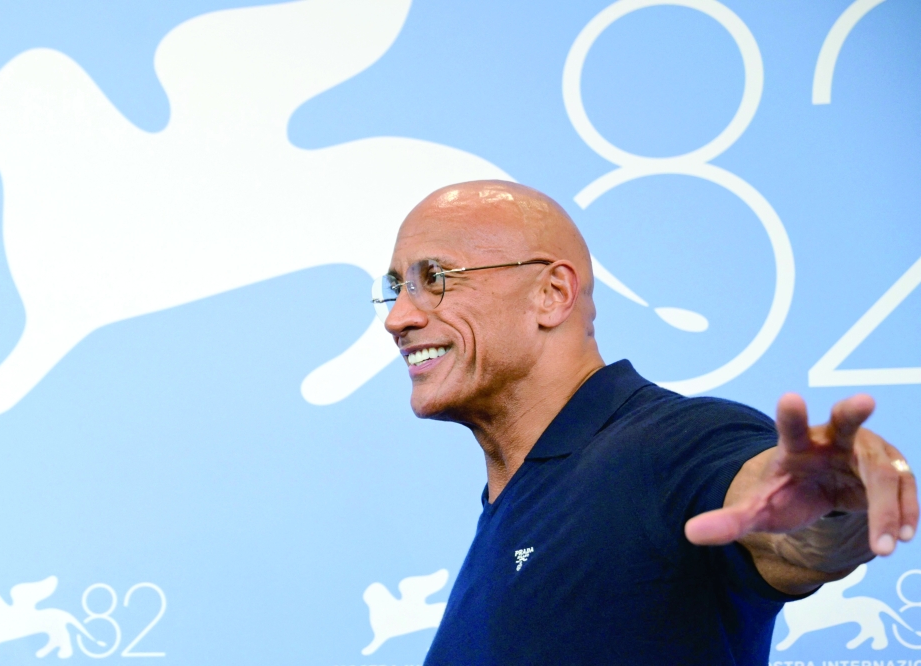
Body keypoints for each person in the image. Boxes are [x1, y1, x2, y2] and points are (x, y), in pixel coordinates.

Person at [371, 180, 918, 665]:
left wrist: (831, 509)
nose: (399, 318)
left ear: (552, 294)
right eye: (397, 287)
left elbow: (787, 528)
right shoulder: (514, 498)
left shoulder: (672, 443)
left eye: (436, 277)